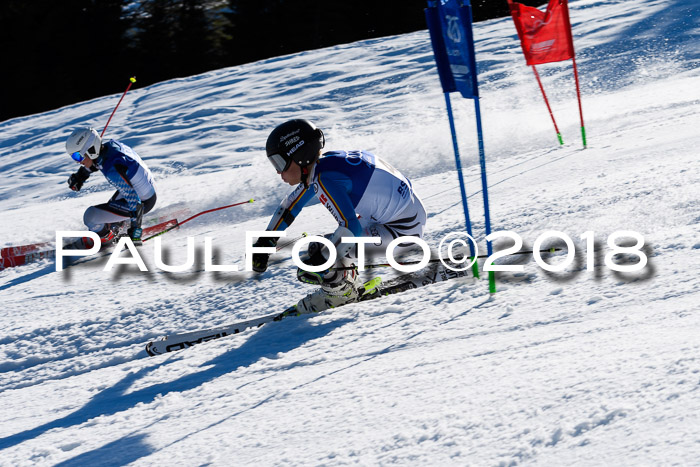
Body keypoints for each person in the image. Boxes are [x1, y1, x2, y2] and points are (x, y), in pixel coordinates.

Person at [252, 119, 427, 314]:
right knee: (324, 248)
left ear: (300, 156)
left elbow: (352, 228)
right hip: (401, 217)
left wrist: (323, 263)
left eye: (280, 162)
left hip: (401, 233)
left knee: (317, 255)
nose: (278, 171)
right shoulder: (327, 164)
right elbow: (291, 206)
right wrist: (265, 241)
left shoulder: (325, 178)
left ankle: (341, 295)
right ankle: (346, 282)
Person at [65, 128, 157, 247]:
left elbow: (134, 201)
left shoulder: (113, 170)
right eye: (74, 157)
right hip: (145, 189)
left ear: (91, 149)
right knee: (109, 211)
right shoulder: (109, 148)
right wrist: (81, 176)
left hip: (143, 201)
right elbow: (97, 163)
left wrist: (135, 232)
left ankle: (106, 238)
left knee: (90, 216)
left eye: (78, 156)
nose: (77, 161)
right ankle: (115, 225)